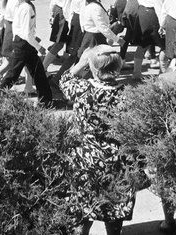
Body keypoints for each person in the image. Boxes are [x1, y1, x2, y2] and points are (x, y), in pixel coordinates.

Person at [61, 45, 140, 235]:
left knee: (82, 208)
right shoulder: (128, 94)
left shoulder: (81, 90)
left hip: (85, 156)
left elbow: (64, 79)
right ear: (118, 68)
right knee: (114, 209)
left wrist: (81, 62)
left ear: (94, 69)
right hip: (117, 159)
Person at [0, 0, 53, 105]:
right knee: (12, 74)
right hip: (23, 45)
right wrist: (39, 47)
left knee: (38, 72)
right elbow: (26, 32)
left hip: (25, 44)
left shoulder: (23, 5)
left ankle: (46, 101)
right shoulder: (26, 8)